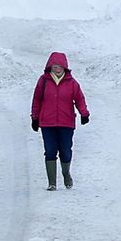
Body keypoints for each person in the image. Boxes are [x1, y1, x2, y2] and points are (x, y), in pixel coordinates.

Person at [30, 51, 89, 191]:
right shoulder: (43, 81)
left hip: (66, 123)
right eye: (55, 66)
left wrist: (84, 113)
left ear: (65, 67)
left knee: (65, 151)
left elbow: (79, 99)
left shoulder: (72, 83)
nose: (57, 68)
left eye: (60, 66)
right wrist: (35, 118)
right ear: (50, 66)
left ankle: (66, 173)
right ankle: (52, 183)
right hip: (47, 123)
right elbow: (37, 100)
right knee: (50, 151)